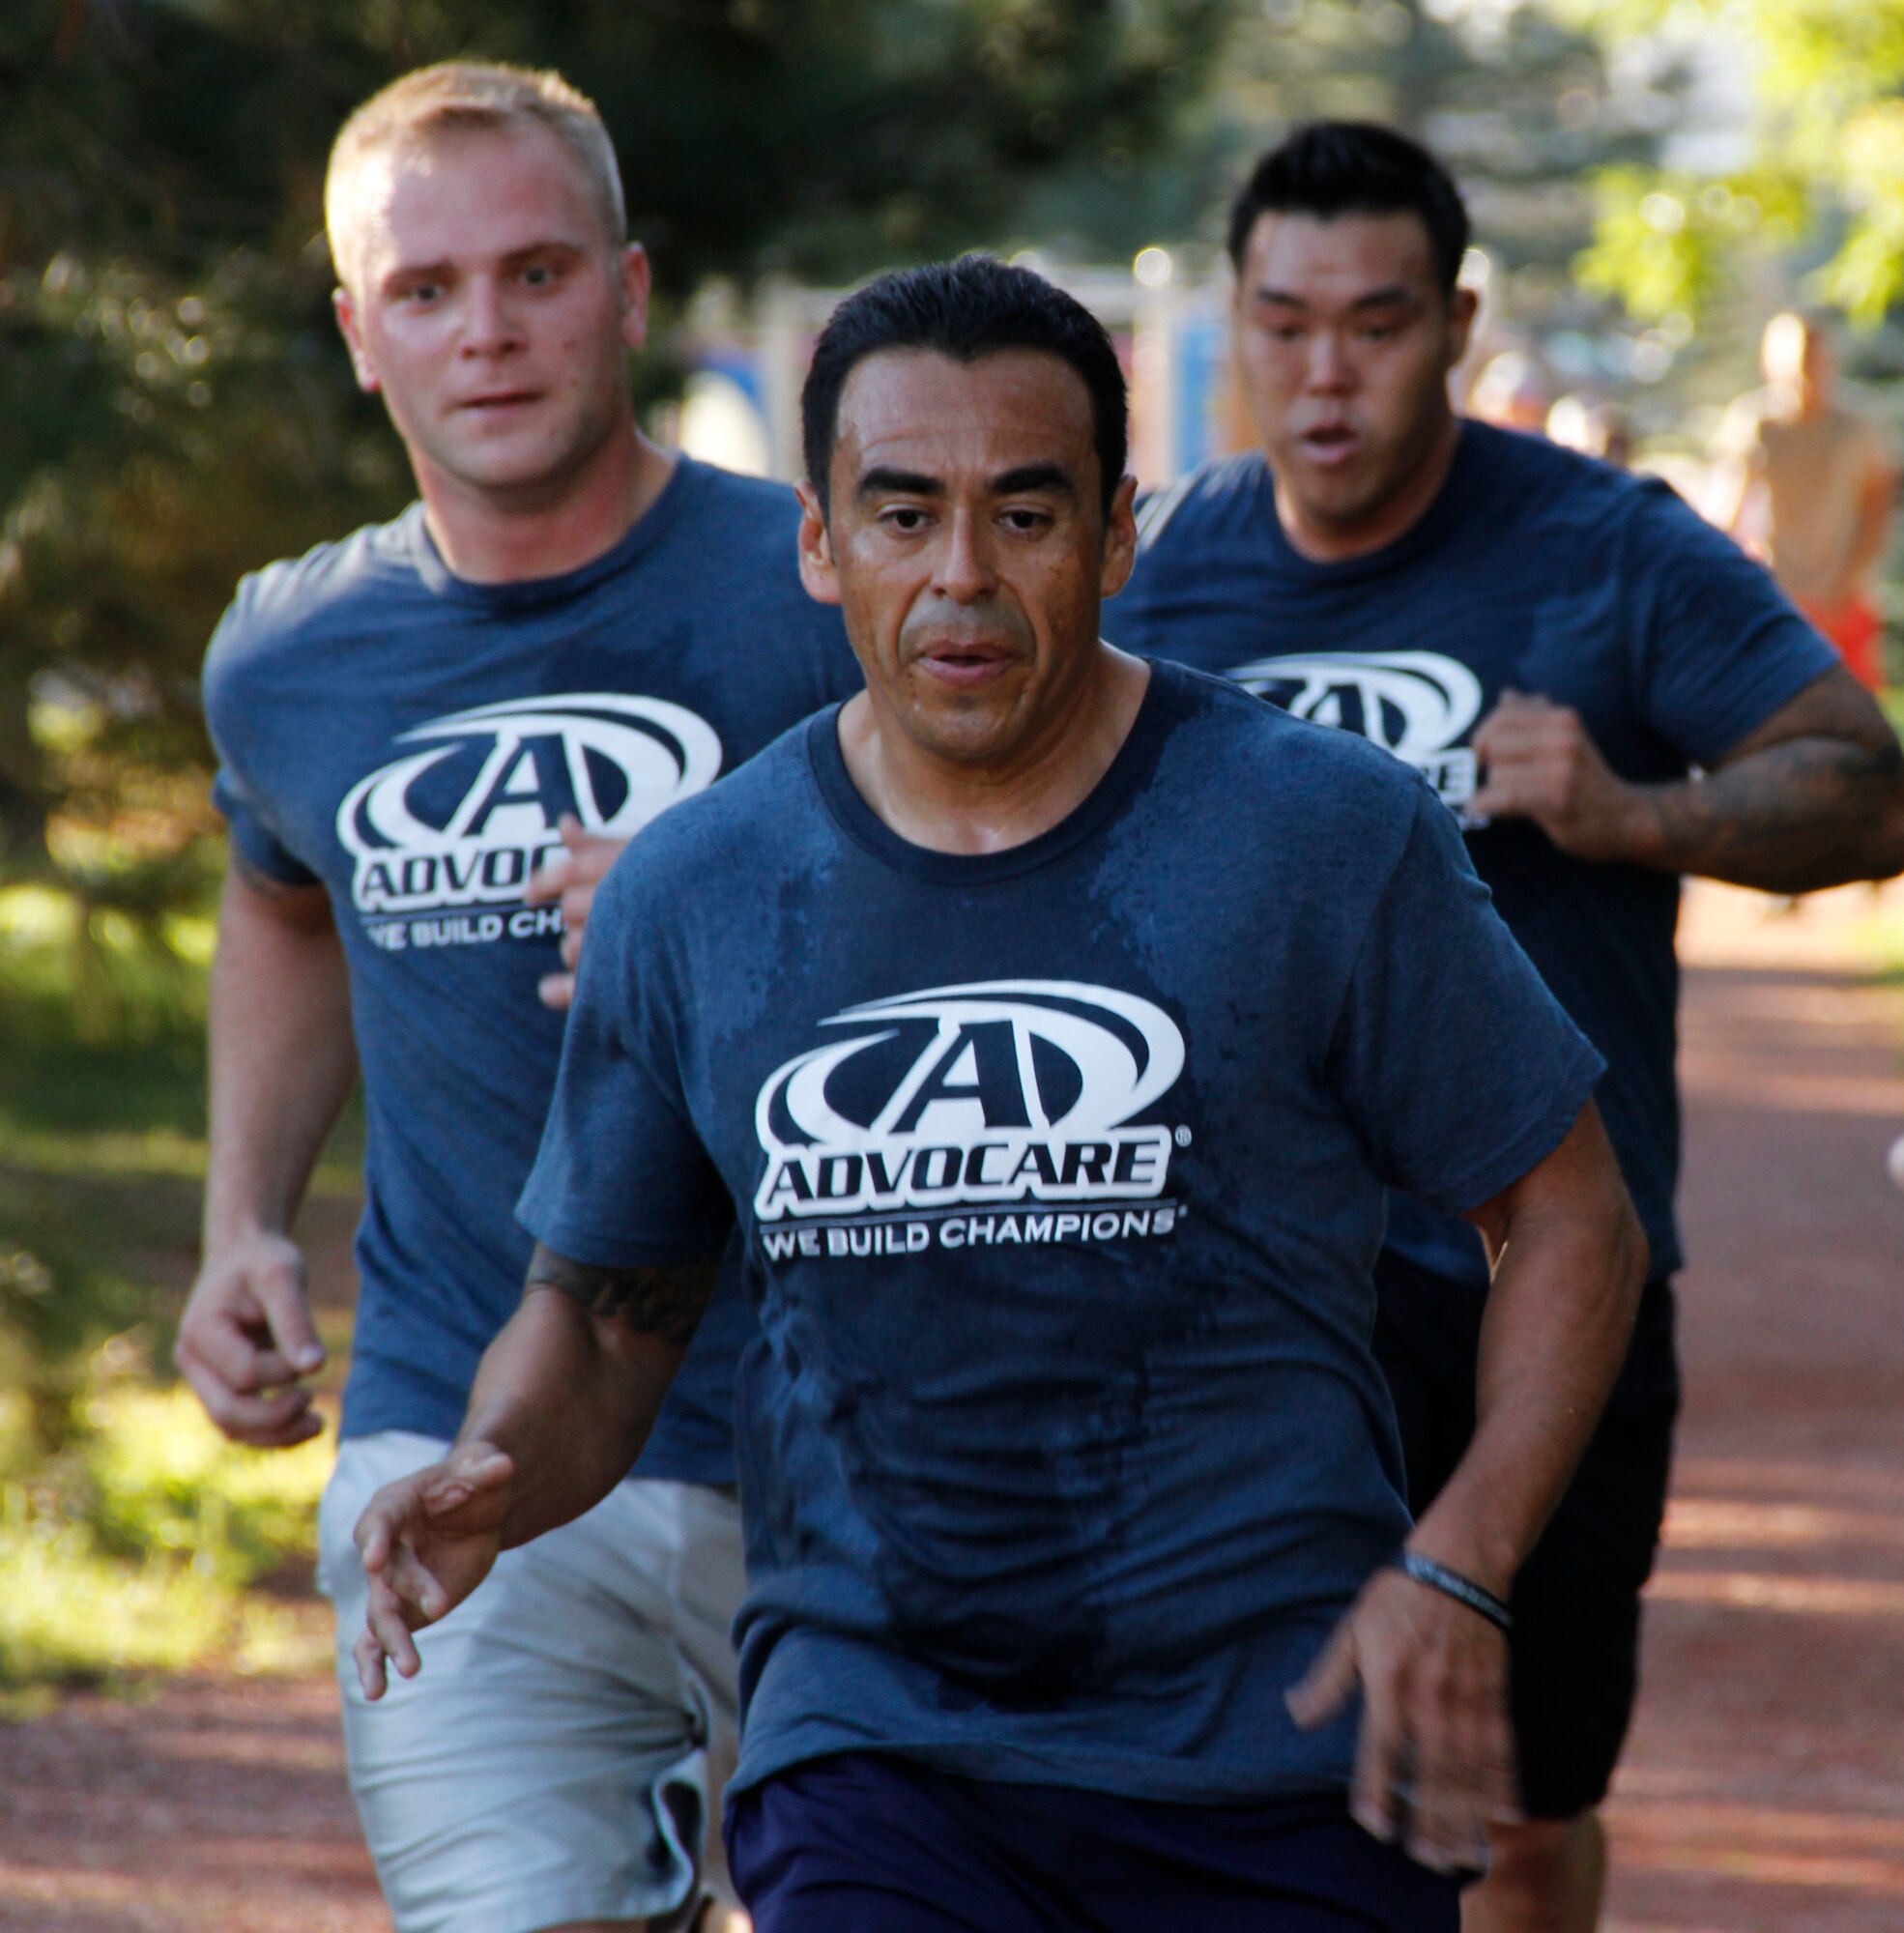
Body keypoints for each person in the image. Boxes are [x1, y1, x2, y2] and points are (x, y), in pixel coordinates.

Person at [349, 253, 1649, 1933]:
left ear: (1120, 534)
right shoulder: (700, 891)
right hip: (876, 1745)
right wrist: (499, 1470)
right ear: (819, 543)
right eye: (901, 515)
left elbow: (1567, 1214)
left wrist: (1459, 1565)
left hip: (1278, 1743)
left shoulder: (1320, 835)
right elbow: (605, 1315)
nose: (961, 576)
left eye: (1026, 517)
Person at [1109, 121, 1904, 1933]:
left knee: (1518, 1814)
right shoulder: (1157, 570)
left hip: (1544, 1267)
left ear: (1458, 323)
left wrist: (1637, 814)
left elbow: (1867, 788)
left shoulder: (1606, 548)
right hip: (1240, 1282)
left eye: (1375, 325)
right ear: (1234, 318)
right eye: (1287, 324)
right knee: (1238, 1777)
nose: (1326, 377)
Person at [176, 61, 859, 1933]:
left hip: (849, 1444)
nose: (484, 331)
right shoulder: (293, 652)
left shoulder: (828, 585)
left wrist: (735, 898)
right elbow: (287, 899)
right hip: (457, 1424)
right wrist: (244, 1222)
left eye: (537, 273)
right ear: (358, 334)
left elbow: (1049, 898)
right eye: (425, 290)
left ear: (631, 293)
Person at [1713, 308, 1899, 691]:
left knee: (1854, 712)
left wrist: (1847, 581)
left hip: (1844, 598)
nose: (1807, 370)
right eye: (1797, 359)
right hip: (1775, 595)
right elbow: (1726, 513)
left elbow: (1877, 507)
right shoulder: (1755, 424)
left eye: (1815, 357)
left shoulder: (1856, 428)